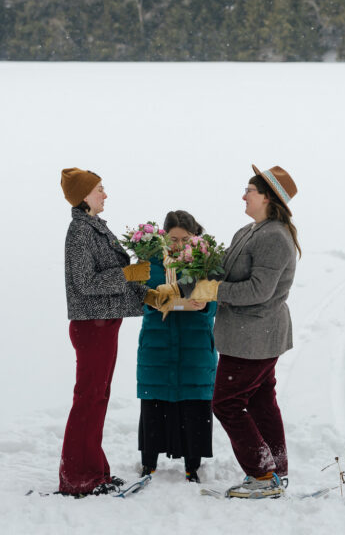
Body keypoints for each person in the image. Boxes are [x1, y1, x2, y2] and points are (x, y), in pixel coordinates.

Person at [196, 164, 301, 500]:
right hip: (247, 336)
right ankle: (275, 471)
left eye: (250, 191)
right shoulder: (249, 230)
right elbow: (225, 268)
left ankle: (261, 475)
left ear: (268, 197)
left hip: (254, 337)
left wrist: (212, 290)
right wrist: (194, 260)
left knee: (226, 403)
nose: (243, 195)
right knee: (260, 401)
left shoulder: (275, 237)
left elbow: (259, 291)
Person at [58, 167, 152, 497]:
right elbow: (86, 284)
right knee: (89, 399)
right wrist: (129, 274)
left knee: (97, 398)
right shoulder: (80, 233)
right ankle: (79, 477)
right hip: (91, 326)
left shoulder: (95, 228)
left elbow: (114, 277)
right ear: (84, 196)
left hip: (104, 324)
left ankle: (94, 471)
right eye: (99, 188)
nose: (105, 194)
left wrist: (146, 292)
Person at [137, 210, 217, 483]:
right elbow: (141, 297)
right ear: (164, 236)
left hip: (194, 344)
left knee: (193, 404)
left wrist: (205, 305)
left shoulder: (205, 262)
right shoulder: (151, 262)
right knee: (154, 402)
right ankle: (149, 462)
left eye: (185, 239)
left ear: (195, 238)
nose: (178, 244)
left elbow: (214, 300)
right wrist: (157, 300)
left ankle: (192, 465)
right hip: (158, 343)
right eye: (173, 238)